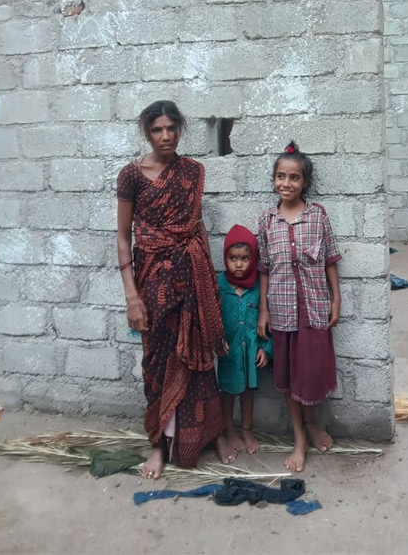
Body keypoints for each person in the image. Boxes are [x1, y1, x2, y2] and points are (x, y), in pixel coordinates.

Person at [116, 100, 235, 480]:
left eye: (171, 128)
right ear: (146, 133)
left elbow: (195, 229)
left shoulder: (193, 171)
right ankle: (158, 445)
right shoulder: (131, 176)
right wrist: (132, 297)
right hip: (152, 285)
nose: (165, 136)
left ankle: (208, 434)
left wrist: (207, 286)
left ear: (181, 129)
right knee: (157, 364)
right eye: (157, 129)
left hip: (193, 282)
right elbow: (123, 237)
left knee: (200, 361)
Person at [257, 141, 342, 472]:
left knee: (310, 375)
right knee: (290, 379)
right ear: (274, 180)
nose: (286, 184)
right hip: (282, 312)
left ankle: (311, 422)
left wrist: (336, 299)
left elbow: (330, 260)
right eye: (280, 176)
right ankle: (299, 438)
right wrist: (264, 311)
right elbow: (264, 267)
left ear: (305, 182)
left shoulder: (317, 215)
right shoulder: (267, 220)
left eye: (294, 178)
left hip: (315, 309)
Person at [217, 224, 273, 455]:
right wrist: (216, 341)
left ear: (253, 259)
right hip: (228, 352)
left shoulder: (258, 287)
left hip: (250, 351)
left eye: (244, 258)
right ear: (225, 258)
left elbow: (268, 321)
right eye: (233, 258)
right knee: (228, 392)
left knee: (248, 392)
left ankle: (247, 430)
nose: (239, 264)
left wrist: (265, 349)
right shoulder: (219, 285)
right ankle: (229, 429)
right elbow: (210, 318)